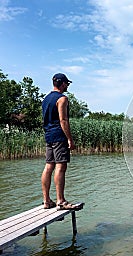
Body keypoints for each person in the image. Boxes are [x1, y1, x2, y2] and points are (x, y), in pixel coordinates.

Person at [41, 73, 80, 210]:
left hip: (48, 135)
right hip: (59, 136)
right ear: (62, 83)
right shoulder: (62, 99)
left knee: (48, 166)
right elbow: (63, 120)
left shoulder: (45, 99)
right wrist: (70, 139)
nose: (67, 86)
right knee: (60, 167)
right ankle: (61, 201)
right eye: (67, 84)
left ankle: (46, 201)